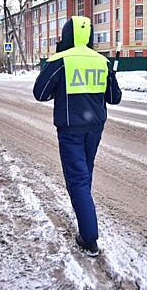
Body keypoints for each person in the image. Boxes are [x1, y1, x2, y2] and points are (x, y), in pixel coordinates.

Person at [33, 16, 122, 257]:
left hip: (71, 130)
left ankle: (89, 238)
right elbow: (114, 98)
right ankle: (85, 212)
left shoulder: (60, 61)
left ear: (67, 35)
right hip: (95, 129)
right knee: (84, 176)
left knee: (78, 181)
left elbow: (40, 93)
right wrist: (109, 76)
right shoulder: (102, 62)